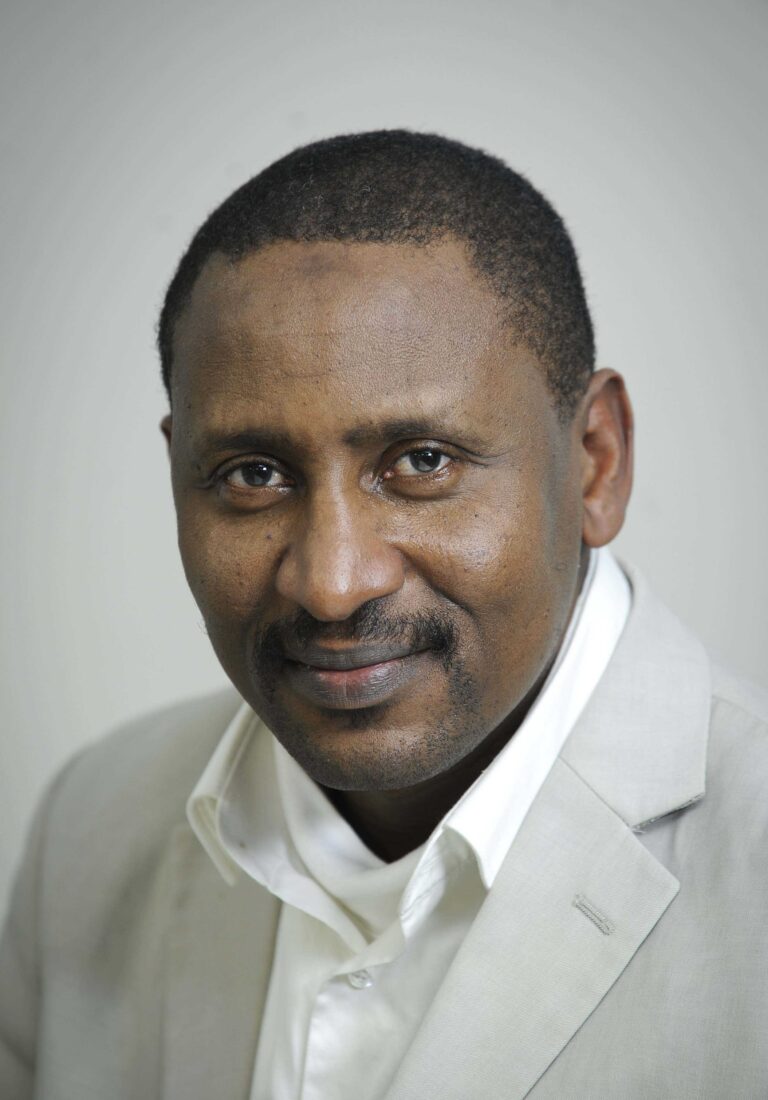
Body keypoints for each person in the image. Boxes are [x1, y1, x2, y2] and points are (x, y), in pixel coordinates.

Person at [0, 130, 766, 1100]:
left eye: (422, 461)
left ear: (596, 460)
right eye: (253, 474)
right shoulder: (91, 823)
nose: (331, 582)